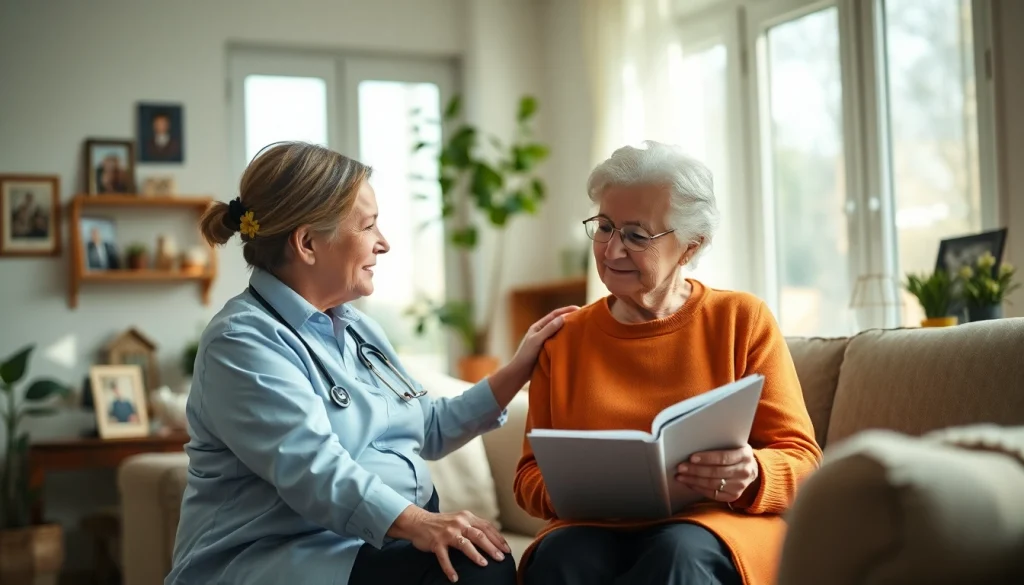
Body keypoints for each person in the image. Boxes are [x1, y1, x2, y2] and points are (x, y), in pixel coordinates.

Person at [165, 141, 576, 585]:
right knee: (477, 571)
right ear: (307, 243)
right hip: (282, 556)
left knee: (490, 560)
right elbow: (312, 469)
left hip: (373, 546)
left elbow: (427, 425)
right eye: (368, 226)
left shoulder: (357, 328)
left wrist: (519, 367)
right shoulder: (242, 341)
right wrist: (420, 522)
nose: (384, 243)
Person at [514, 141, 822, 585]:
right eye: (604, 227)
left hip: (711, 525)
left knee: (678, 556)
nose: (612, 250)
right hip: (593, 526)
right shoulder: (563, 340)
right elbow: (528, 476)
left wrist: (752, 474)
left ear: (690, 247)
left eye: (636, 236)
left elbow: (802, 460)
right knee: (561, 560)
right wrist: (569, 491)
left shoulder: (741, 319)